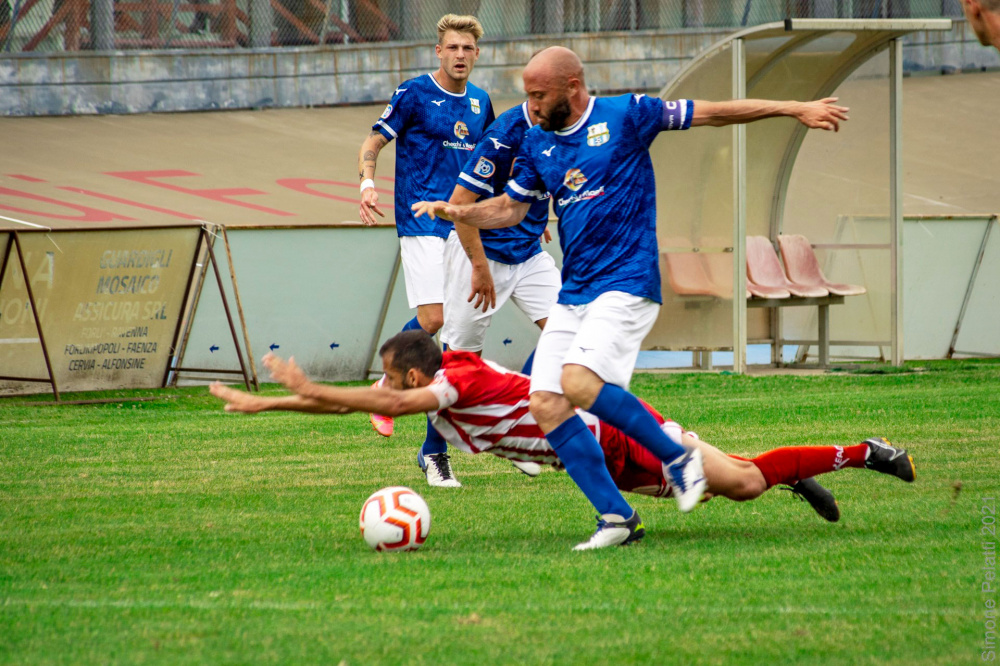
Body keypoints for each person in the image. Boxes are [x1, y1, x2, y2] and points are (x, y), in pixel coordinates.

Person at [412, 46, 852, 549]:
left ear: (571, 88)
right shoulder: (537, 144)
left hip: (626, 282)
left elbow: (713, 112)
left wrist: (794, 108)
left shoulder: (628, 114)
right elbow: (510, 209)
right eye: (527, 96)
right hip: (576, 291)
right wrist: (457, 213)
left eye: (538, 95)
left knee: (576, 383)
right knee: (546, 403)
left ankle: (678, 457)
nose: (530, 107)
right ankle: (617, 519)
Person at [209, 331, 916, 550]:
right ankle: (788, 472)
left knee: (744, 482)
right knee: (742, 480)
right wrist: (267, 404)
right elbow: (351, 407)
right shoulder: (437, 384)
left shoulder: (453, 381)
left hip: (609, 434)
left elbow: (377, 400)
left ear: (417, 373)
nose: (387, 391)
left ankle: (865, 451)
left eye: (393, 380)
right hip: (595, 455)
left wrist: (313, 386)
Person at [356, 14, 495, 487]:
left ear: (476, 55)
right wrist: (367, 182)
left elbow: (495, 161)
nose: (459, 55)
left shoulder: (480, 103)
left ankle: (433, 450)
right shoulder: (414, 93)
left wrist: (520, 217)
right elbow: (375, 140)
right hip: (420, 220)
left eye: (467, 49)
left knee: (456, 338)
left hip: (463, 226)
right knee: (434, 320)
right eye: (452, 47)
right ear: (439, 51)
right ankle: (388, 378)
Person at [437, 99, 562, 484]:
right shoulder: (503, 136)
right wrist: (478, 268)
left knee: (571, 328)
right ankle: (433, 454)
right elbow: (459, 207)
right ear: (538, 96)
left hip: (526, 255)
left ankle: (521, 422)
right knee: (460, 365)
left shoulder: (562, 124)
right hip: (479, 252)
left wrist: (535, 219)